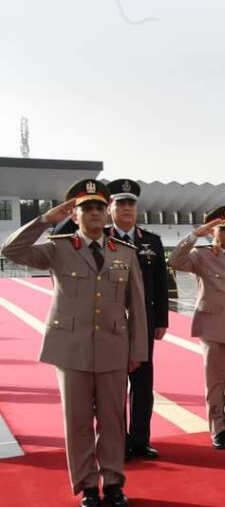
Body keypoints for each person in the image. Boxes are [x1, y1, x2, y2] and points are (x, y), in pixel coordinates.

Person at [1, 179, 148, 507]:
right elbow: (10, 251)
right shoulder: (58, 247)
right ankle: (87, 487)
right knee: (78, 421)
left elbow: (136, 305)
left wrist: (137, 351)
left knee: (112, 421)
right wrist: (44, 220)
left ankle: (112, 483)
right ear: (75, 213)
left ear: (106, 213)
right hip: (71, 349)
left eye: (99, 207)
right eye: (87, 208)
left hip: (113, 347)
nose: (94, 213)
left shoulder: (124, 253)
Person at [51, 178, 170, 460]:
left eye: (132, 203)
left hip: (141, 323)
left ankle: (140, 440)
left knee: (142, 385)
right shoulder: (95, 234)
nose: (127, 208)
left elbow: (160, 284)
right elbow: (58, 236)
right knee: (110, 390)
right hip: (105, 325)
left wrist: (161, 319)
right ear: (110, 208)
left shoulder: (151, 241)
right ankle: (119, 442)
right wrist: (73, 211)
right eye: (121, 203)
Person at [169, 206, 225, 450]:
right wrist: (194, 236)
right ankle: (218, 429)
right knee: (216, 381)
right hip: (214, 327)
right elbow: (175, 261)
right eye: (224, 229)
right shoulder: (202, 256)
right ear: (213, 232)